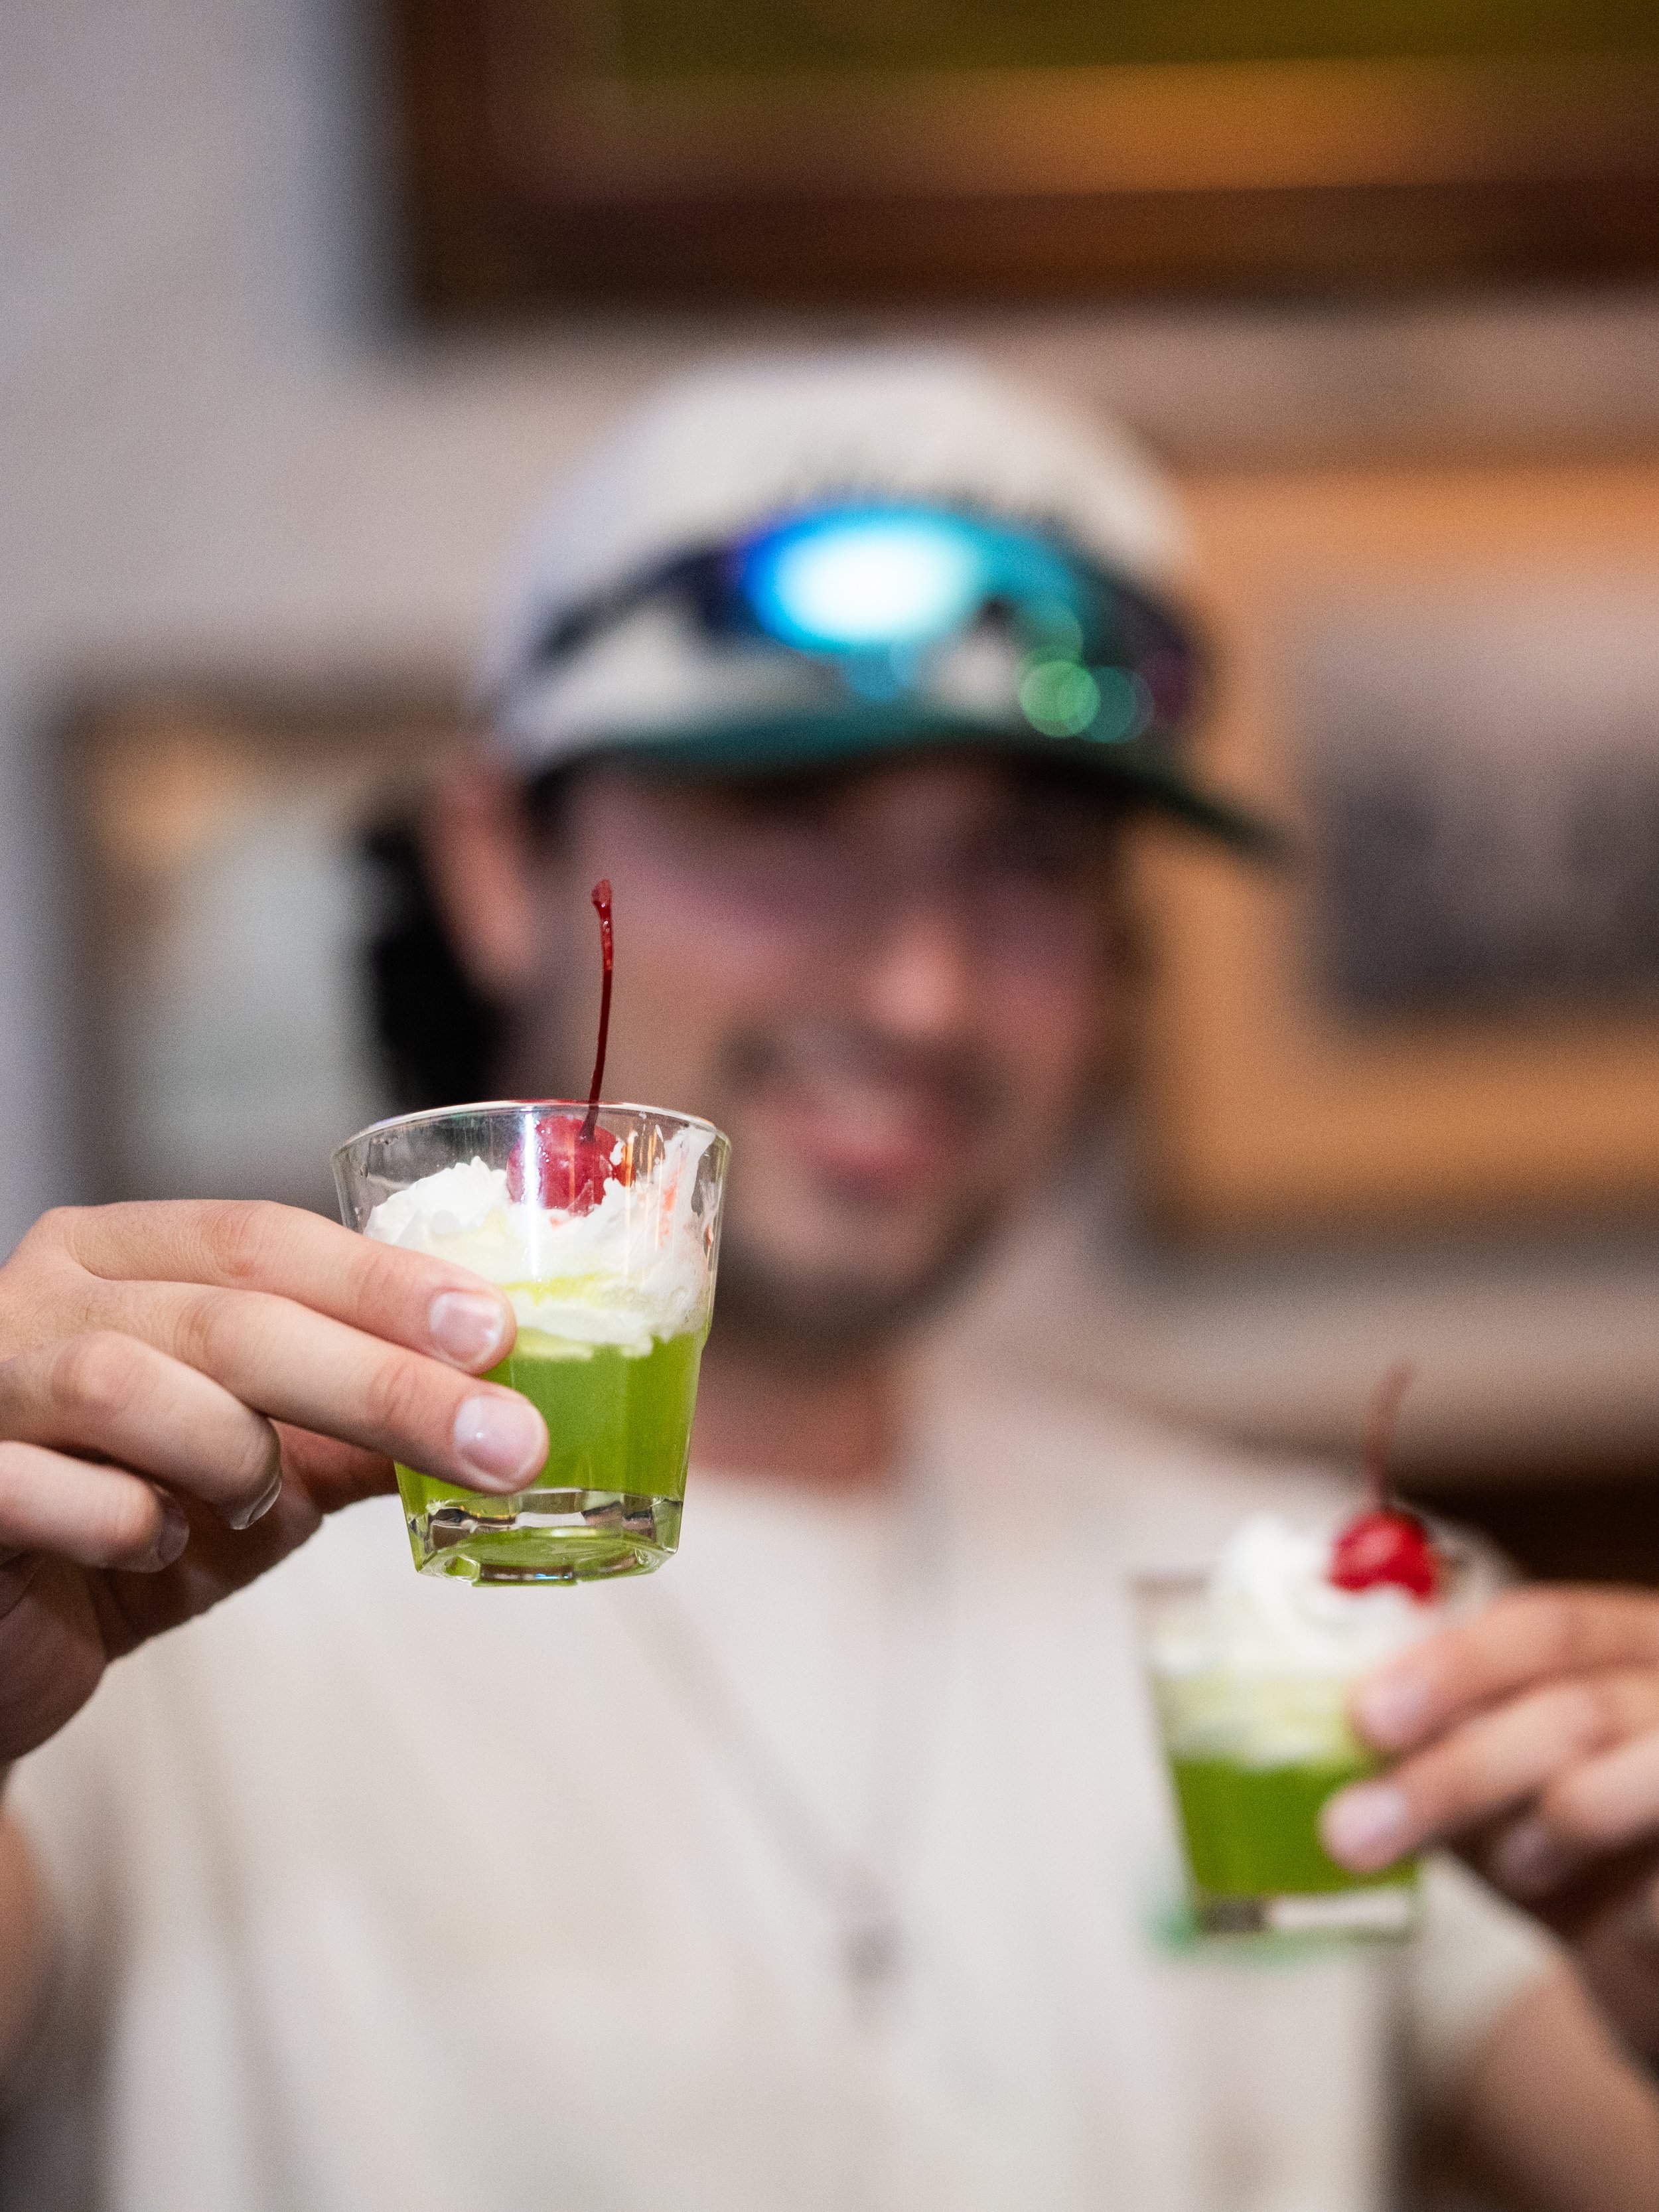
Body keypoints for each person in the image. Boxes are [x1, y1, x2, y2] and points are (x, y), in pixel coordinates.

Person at [2, 354, 1659, 2211]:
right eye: (787, 819)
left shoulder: (1321, 1628)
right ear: (495, 862)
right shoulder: (117, 1612)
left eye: (1029, 861)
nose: (920, 994)